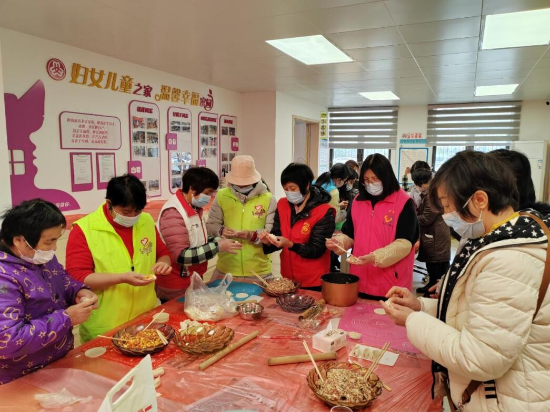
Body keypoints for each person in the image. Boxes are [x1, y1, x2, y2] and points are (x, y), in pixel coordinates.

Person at [382, 150, 550, 412]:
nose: (446, 215)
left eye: (448, 206)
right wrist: (421, 306)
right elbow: (475, 311)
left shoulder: (508, 259)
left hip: (506, 399)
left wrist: (412, 320)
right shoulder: (498, 239)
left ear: (479, 200)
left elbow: (479, 357)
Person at [0, 199, 98, 383]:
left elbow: (62, 279)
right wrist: (67, 319)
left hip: (58, 360)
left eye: (56, 240)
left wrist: (79, 291)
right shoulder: (4, 276)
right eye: (49, 241)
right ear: (19, 240)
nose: (54, 248)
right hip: (21, 376)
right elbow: (8, 339)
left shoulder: (41, 257)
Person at [66, 174, 172, 342]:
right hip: (107, 325)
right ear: (109, 203)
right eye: (126, 212)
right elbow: (78, 277)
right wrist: (121, 278)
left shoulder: (145, 221)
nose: (132, 217)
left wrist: (163, 263)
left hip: (145, 317)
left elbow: (163, 252)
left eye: (138, 211)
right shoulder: (85, 229)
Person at [326, 154, 419, 300]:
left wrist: (374, 257)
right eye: (366, 180)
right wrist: (339, 242)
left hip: (391, 284)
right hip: (360, 278)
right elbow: (350, 234)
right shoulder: (358, 201)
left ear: (386, 177)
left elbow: (404, 244)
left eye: (375, 179)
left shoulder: (403, 202)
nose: (370, 184)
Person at [157, 167, 242, 302]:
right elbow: (181, 256)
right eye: (207, 193)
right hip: (176, 283)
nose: (209, 197)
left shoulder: (194, 208)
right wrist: (217, 246)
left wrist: (218, 240)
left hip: (192, 277)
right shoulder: (173, 213)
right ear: (192, 188)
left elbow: (197, 238)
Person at [259, 163, 335, 290]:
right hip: (288, 277)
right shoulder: (282, 204)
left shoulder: (323, 211)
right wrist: (269, 241)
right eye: (285, 188)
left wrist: (291, 245)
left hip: (313, 279)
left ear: (307, 185)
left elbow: (317, 249)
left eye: (292, 188)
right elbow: (277, 233)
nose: (289, 192)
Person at [206, 156, 276, 279]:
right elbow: (211, 225)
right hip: (226, 269)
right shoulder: (222, 196)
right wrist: (221, 230)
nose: (241, 186)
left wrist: (251, 235)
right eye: (238, 183)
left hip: (259, 270)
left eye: (245, 183)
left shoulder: (268, 199)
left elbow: (272, 233)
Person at [411, 168, 450, 295]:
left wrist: (412, 217)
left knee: (436, 263)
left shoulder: (432, 195)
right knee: (433, 263)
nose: (416, 187)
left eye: (417, 184)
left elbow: (426, 219)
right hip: (436, 232)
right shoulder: (433, 192)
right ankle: (432, 285)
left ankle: (435, 290)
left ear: (422, 182)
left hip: (436, 234)